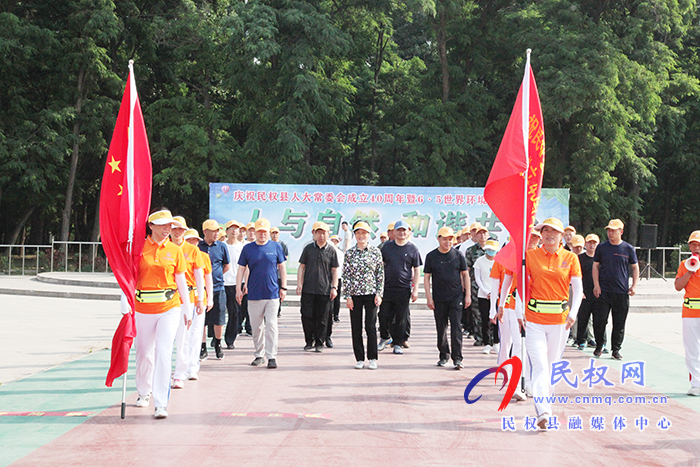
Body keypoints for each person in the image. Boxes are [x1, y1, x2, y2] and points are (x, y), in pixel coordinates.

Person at [501, 218, 583, 430]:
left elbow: (578, 288)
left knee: (552, 365)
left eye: (553, 231)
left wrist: (573, 313)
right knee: (539, 365)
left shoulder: (570, 258)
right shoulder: (529, 257)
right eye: (545, 230)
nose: (549, 234)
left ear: (561, 236)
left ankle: (546, 401)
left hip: (560, 322)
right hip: (534, 321)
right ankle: (543, 410)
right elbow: (521, 287)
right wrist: (519, 312)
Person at [133, 209, 191, 419]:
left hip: (169, 306)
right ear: (151, 226)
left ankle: (161, 403)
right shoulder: (138, 247)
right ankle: (143, 392)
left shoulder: (175, 251)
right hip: (143, 307)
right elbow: (129, 276)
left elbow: (181, 280)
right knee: (144, 352)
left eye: (170, 226)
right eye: (164, 225)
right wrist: (125, 304)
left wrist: (186, 308)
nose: (168, 229)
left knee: (164, 352)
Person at [236, 218, 288, 368]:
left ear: (269, 232)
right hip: (254, 293)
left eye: (264, 232)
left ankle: (271, 356)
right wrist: (238, 289)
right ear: (255, 232)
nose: (262, 234)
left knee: (271, 325)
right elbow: (241, 269)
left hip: (272, 293)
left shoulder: (276, 247)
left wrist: (283, 287)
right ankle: (259, 354)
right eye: (259, 231)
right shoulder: (248, 249)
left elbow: (282, 267)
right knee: (257, 326)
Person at [592, 219, 639, 360]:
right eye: (609, 230)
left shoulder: (628, 248)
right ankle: (600, 345)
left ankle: (616, 349)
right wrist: (596, 284)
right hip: (603, 290)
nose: (610, 233)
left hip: (621, 291)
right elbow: (595, 266)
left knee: (619, 322)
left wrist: (634, 285)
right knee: (599, 320)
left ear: (621, 232)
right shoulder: (602, 247)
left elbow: (635, 267)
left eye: (614, 230)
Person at [424, 227, 470, 369]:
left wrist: (467, 295)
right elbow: (426, 277)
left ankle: (457, 358)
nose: (447, 242)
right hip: (439, 298)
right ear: (438, 239)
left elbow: (465, 275)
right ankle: (443, 355)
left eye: (450, 239)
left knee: (456, 327)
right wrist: (429, 297)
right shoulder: (431, 256)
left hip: (456, 297)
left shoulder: (458, 255)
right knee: (441, 327)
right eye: (444, 239)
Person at [170, 216, 207, 389]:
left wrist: (201, 298)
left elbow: (200, 276)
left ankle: (184, 371)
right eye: (174, 228)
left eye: (181, 229)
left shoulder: (192, 250)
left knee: (186, 336)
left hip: (189, 299)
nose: (177, 232)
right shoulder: (165, 248)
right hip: (168, 298)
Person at [343, 221, 384, 369]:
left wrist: (379, 293)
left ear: (368, 235)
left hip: (371, 294)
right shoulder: (350, 253)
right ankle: (359, 358)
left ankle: (372, 357)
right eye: (358, 233)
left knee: (370, 326)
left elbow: (380, 274)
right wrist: (347, 296)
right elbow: (346, 276)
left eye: (364, 233)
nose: (361, 236)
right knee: (356, 327)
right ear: (354, 235)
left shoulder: (375, 252)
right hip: (355, 295)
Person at [379, 220, 422, 354]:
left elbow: (416, 270)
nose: (402, 233)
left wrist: (415, 290)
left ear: (408, 232)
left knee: (401, 317)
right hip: (387, 287)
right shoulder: (386, 247)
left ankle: (398, 343)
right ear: (394, 232)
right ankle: (385, 338)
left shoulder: (412, 248)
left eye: (404, 230)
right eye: (399, 230)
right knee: (384, 315)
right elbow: (380, 267)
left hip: (403, 288)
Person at [298, 221, 339, 352]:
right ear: (314, 234)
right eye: (319, 233)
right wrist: (299, 284)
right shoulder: (308, 249)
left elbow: (334, 270)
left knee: (323, 318)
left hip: (324, 290)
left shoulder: (331, 250)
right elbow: (302, 267)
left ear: (328, 234)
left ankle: (320, 342)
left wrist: (334, 287)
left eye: (324, 233)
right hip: (308, 289)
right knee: (307, 315)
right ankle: (309, 341)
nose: (321, 235)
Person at [198, 219, 230, 360]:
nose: (216, 233)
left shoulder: (222, 247)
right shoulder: (198, 247)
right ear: (205, 232)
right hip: (201, 289)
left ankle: (218, 343)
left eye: (218, 230)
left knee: (219, 318)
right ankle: (203, 346)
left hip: (218, 288)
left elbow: (226, 265)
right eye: (213, 231)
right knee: (202, 320)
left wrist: (214, 277)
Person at [183, 229, 213, 378]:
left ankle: (193, 367)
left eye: (195, 240)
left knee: (196, 333)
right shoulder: (180, 254)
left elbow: (208, 278)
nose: (192, 243)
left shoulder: (203, 256)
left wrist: (210, 298)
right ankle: (182, 367)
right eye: (189, 240)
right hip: (184, 298)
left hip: (199, 298)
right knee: (184, 335)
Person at [674, 230, 700, 396]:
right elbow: (677, 286)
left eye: (699, 244)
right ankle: (696, 384)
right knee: (692, 350)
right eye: (693, 244)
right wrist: (690, 271)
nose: (696, 247)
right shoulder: (684, 264)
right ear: (689, 245)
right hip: (690, 312)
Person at [574, 234, 601, 351]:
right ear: (585, 244)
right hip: (584, 293)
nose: (592, 245)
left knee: (599, 319)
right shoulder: (579, 258)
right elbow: (576, 277)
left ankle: (601, 342)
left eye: (594, 243)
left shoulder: (601, 258)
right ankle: (581, 341)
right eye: (589, 242)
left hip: (598, 293)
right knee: (583, 318)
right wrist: (580, 291)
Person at [464, 223, 489, 345]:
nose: (482, 235)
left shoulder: (493, 249)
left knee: (490, 312)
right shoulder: (471, 251)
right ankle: (479, 337)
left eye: (484, 233)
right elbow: (466, 270)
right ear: (476, 235)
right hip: (475, 286)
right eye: (480, 233)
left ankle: (490, 339)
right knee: (477, 312)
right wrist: (466, 285)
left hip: (491, 285)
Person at [473, 239, 500, 355]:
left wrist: (496, 292)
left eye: (493, 250)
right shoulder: (480, 261)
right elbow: (477, 279)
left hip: (497, 295)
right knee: (485, 319)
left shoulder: (500, 262)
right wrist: (486, 291)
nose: (490, 252)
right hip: (483, 295)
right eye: (489, 249)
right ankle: (487, 343)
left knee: (497, 320)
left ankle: (497, 343)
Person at [223, 220, 244, 350]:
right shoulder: (221, 245)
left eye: (237, 228)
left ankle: (230, 339)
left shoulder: (242, 247)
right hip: (222, 283)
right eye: (231, 228)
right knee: (217, 312)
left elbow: (246, 266)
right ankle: (215, 337)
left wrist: (244, 283)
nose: (234, 231)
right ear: (226, 231)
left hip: (236, 284)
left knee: (235, 313)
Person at [270, 226, 288, 317]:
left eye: (276, 233)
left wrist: (279, 264)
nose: (274, 235)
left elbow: (286, 257)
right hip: (270, 272)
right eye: (273, 233)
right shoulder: (267, 244)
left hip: (279, 272)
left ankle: (278, 310)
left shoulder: (282, 244)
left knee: (279, 291)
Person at [329, 235, 344, 324]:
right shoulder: (328, 251)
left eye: (336, 241)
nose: (334, 243)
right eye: (333, 241)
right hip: (328, 277)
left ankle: (336, 315)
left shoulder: (340, 253)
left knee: (337, 298)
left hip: (338, 277)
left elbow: (340, 265)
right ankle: (330, 315)